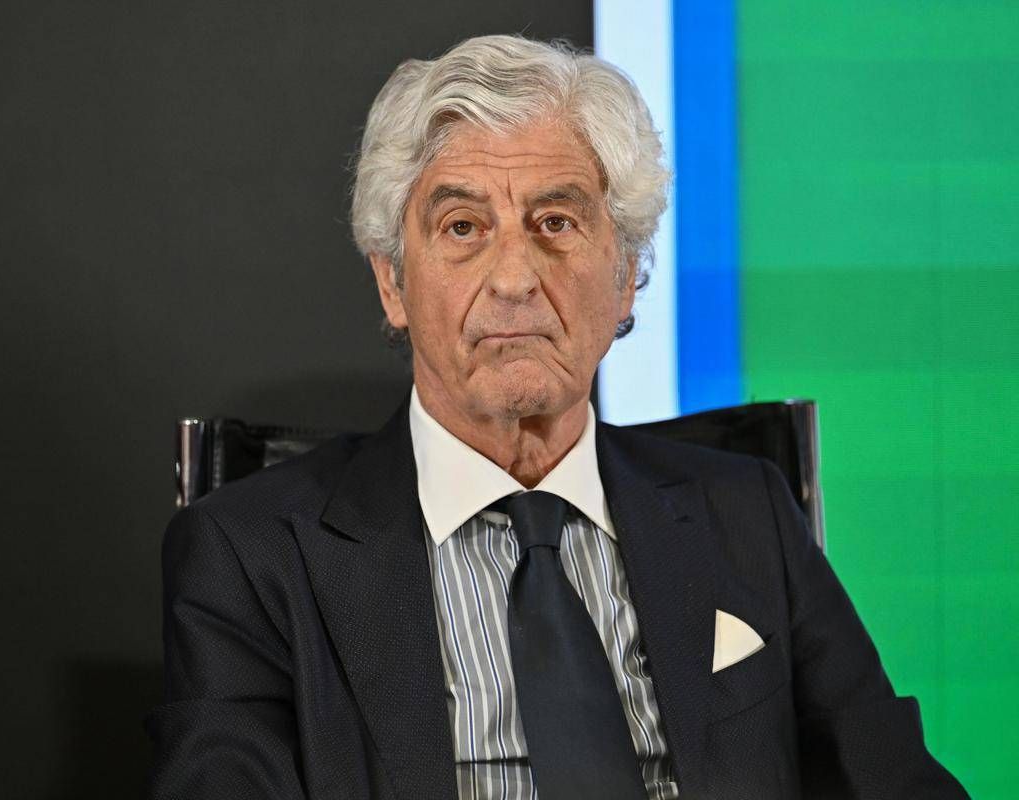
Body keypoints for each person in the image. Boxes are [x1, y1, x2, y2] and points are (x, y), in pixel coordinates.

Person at [145, 35, 966, 800]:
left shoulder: (748, 516)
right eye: (462, 227)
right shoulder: (248, 556)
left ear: (627, 275)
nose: (514, 279)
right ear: (393, 283)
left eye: (556, 222)